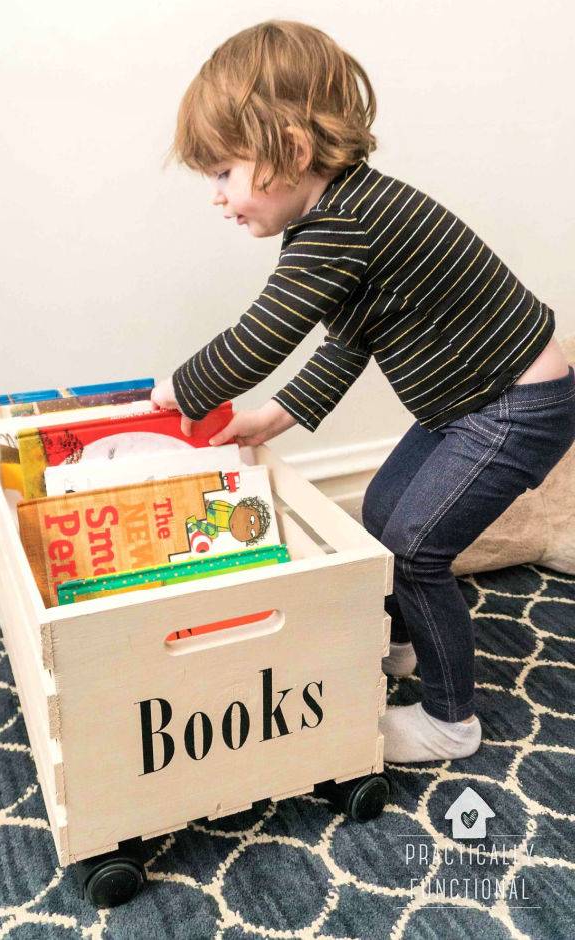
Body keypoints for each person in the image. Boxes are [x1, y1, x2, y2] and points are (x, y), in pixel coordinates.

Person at [150, 20, 575, 763]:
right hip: (468, 404)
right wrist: (272, 418)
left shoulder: (344, 225)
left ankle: (450, 721)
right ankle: (409, 645)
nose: (218, 197)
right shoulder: (336, 219)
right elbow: (350, 340)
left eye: (224, 173)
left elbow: (260, 337)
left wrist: (181, 392)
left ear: (290, 149)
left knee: (415, 547)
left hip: (515, 407)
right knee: (382, 512)